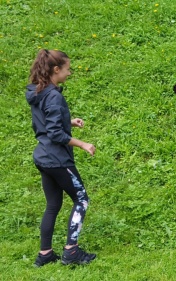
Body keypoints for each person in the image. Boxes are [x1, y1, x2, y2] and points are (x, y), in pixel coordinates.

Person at [26, 49, 97, 267]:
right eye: (67, 69)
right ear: (56, 70)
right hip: (57, 160)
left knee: (53, 204)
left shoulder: (39, 91)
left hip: (43, 157)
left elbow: (47, 125)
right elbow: (56, 134)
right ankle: (71, 251)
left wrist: (69, 121)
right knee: (82, 199)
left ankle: (45, 253)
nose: (70, 73)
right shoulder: (54, 96)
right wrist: (82, 143)